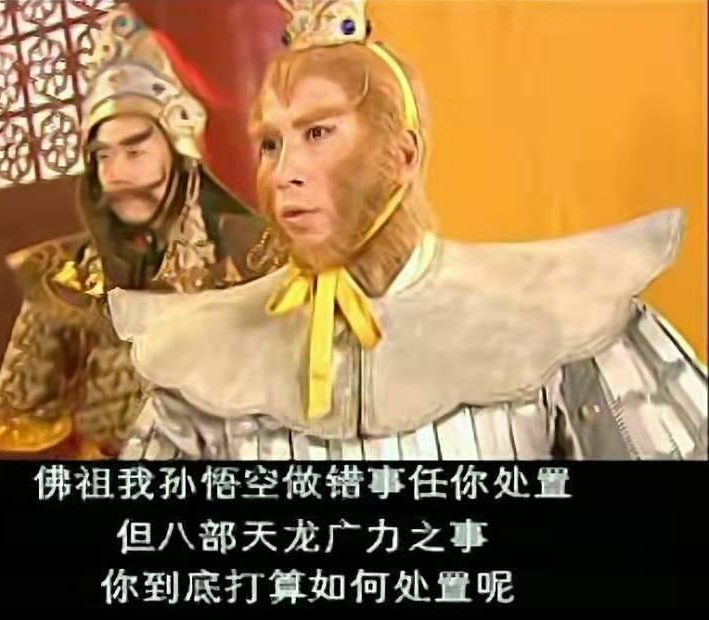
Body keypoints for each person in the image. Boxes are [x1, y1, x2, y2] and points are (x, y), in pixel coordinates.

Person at [109, 0, 706, 460]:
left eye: (318, 133)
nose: (283, 172)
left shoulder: (564, 321)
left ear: (402, 155)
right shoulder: (203, 360)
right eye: (270, 143)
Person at [0, 4, 283, 459]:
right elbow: (28, 412)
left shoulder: (261, 261)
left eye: (135, 152)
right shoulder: (64, 281)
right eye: (102, 156)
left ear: (181, 152)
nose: (115, 173)